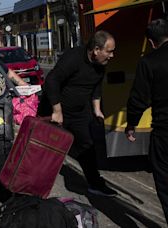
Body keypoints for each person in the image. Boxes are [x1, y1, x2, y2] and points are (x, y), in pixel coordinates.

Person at [39, 30, 117, 197]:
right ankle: (33, 185)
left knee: (87, 146)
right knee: (46, 149)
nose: (112, 55)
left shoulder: (101, 64)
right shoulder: (73, 58)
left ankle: (95, 184)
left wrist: (97, 109)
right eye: (109, 51)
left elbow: (96, 86)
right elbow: (52, 80)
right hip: (55, 109)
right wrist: (57, 111)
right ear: (96, 50)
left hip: (79, 113)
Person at [125, 18, 168, 222]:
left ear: (151, 42)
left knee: (165, 184)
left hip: (164, 133)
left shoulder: (149, 62)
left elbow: (138, 99)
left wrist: (131, 124)